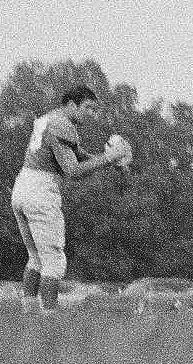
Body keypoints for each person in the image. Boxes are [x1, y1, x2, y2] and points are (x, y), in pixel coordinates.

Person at [8, 86, 131, 310]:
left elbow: (78, 154)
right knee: (53, 261)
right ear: (72, 105)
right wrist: (110, 156)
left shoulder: (50, 119)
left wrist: (108, 161)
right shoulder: (63, 125)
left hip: (23, 187)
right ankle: (50, 318)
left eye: (95, 110)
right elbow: (73, 171)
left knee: (36, 258)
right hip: (41, 191)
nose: (91, 114)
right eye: (88, 108)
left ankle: (27, 314)